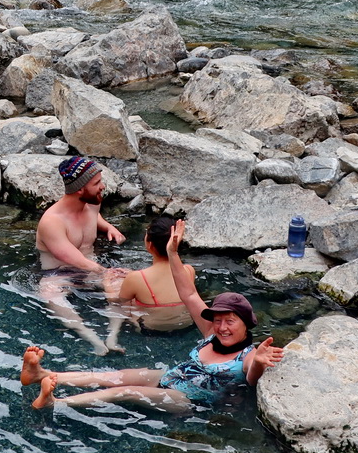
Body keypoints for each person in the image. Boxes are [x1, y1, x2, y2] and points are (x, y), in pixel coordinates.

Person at [22, 220, 285, 413]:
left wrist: (260, 362)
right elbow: (189, 294)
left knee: (124, 391)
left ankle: (56, 402)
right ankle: (41, 374)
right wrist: (172, 253)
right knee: (116, 376)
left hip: (188, 401)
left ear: (246, 324)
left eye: (230, 321)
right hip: (171, 377)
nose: (222, 327)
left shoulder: (248, 355)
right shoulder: (211, 334)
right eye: (218, 319)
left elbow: (251, 375)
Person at [34, 156, 129, 355]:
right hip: (60, 274)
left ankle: (112, 336)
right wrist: (105, 272)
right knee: (48, 290)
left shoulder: (92, 203)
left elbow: (94, 216)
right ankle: (92, 338)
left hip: (93, 267)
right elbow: (72, 257)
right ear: (79, 189)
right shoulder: (52, 221)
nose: (103, 186)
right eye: (96, 183)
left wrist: (108, 227)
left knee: (127, 283)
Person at [109, 215, 195, 334]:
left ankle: (111, 337)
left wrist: (106, 282)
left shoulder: (135, 278)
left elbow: (117, 302)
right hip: (186, 325)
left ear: (150, 245)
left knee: (118, 293)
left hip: (149, 329)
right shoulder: (189, 270)